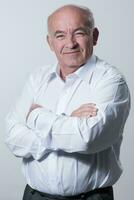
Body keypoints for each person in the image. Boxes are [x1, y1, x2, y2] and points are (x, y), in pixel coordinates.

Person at [5, 4, 130, 200]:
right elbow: (12, 138)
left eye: (79, 33)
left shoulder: (111, 80)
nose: (70, 43)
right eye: (60, 35)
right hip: (34, 196)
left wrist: (37, 117)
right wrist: (68, 122)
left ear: (94, 36)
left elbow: (88, 138)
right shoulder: (37, 78)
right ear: (50, 42)